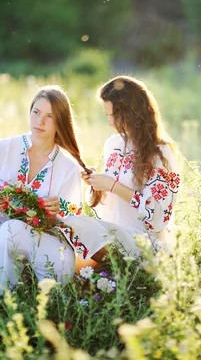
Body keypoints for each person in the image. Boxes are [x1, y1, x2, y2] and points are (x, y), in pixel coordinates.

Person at [0, 85, 96, 294]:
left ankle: (45, 305)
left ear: (60, 122)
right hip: (0, 242)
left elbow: (73, 229)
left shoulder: (68, 167)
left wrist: (56, 214)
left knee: (17, 232)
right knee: (10, 230)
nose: (39, 121)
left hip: (48, 249)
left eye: (49, 116)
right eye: (36, 112)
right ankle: (4, 301)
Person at [59, 76, 181, 261]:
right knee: (67, 224)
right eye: (107, 115)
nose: (110, 122)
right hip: (114, 233)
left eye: (113, 115)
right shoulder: (114, 144)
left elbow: (158, 215)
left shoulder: (162, 154)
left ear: (132, 112)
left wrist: (113, 185)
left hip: (145, 242)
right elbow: (108, 209)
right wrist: (97, 185)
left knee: (76, 225)